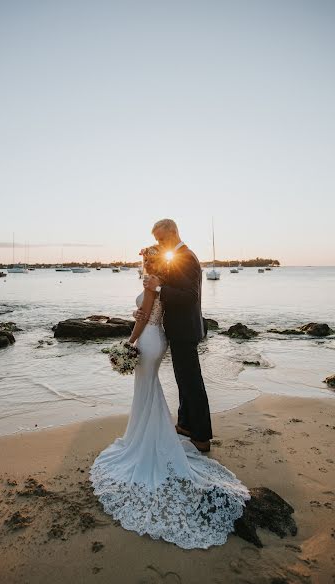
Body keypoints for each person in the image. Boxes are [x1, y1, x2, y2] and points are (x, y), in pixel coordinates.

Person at [89, 243, 250, 549]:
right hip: (159, 338)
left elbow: (145, 316)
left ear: (148, 264)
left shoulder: (152, 284)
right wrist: (141, 312)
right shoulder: (156, 284)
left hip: (148, 340)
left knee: (147, 389)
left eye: (143, 261)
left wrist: (129, 341)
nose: (142, 264)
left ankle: (149, 437)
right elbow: (150, 311)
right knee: (149, 389)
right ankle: (159, 430)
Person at [141, 218, 212, 452]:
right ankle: (185, 424)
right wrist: (152, 261)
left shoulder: (186, 258)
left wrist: (158, 289)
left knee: (192, 383)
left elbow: (189, 296)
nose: (160, 243)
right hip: (180, 329)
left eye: (161, 239)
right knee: (183, 380)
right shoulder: (177, 257)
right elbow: (174, 283)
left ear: (173, 232)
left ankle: (201, 435)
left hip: (185, 330)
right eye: (157, 240)